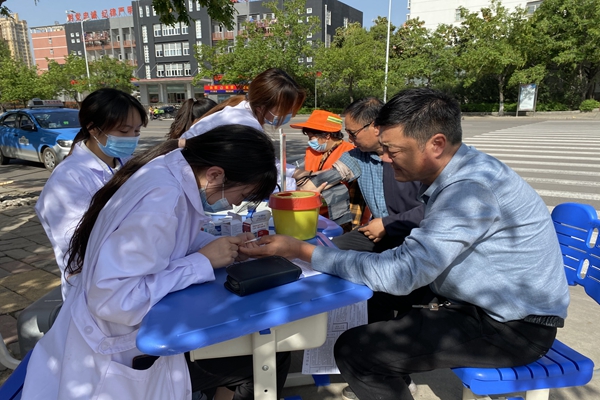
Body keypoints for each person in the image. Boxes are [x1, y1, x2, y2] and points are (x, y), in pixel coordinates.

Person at [241, 88, 570, 400]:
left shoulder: (469, 189)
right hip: (477, 301)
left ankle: (384, 374)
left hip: (512, 327)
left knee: (358, 351)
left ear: (436, 144)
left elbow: (402, 274)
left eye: (393, 151)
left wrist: (302, 251)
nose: (384, 159)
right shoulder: (461, 170)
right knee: (368, 297)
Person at [22, 125, 291, 400]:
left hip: (127, 334)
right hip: (115, 352)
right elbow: (113, 300)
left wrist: (223, 247)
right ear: (214, 174)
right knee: (266, 357)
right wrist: (202, 261)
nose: (235, 205)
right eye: (241, 196)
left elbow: (170, 239)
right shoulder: (161, 200)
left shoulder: (169, 171)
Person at [35, 88, 148, 300]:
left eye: (136, 131)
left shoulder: (126, 164)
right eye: (124, 131)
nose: (132, 138)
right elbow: (79, 246)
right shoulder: (67, 180)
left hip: (130, 274)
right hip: (92, 287)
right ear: (93, 128)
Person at [295, 97, 423, 252]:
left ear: (375, 127)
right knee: (326, 251)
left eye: (353, 133)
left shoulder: (415, 157)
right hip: (379, 230)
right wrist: (305, 185)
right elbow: (327, 177)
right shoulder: (357, 156)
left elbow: (433, 209)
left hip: (416, 232)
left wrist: (387, 223)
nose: (349, 140)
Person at [181, 67, 306, 191]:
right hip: (190, 180)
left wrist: (298, 173)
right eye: (287, 108)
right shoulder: (245, 124)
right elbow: (257, 172)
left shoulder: (239, 112)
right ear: (262, 106)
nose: (290, 114)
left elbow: (265, 162)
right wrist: (297, 185)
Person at [289, 109, 355, 229]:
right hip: (314, 211)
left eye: (312, 138)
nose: (310, 142)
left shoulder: (349, 152)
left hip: (340, 217)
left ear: (327, 136)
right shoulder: (312, 152)